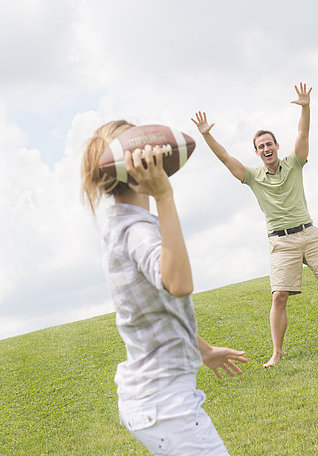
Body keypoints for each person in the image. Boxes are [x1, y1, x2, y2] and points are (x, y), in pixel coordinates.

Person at [81, 120, 247, 456]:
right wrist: (164, 196)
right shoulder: (136, 231)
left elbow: (154, 312)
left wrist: (203, 350)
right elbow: (179, 285)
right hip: (165, 404)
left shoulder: (119, 226)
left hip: (151, 401)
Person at [192, 82, 318, 368]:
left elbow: (303, 132)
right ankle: (276, 354)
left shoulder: (295, 163)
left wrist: (306, 107)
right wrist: (207, 135)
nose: (265, 148)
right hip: (281, 241)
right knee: (279, 296)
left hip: (309, 233)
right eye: (260, 146)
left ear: (276, 146)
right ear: (257, 152)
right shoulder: (251, 176)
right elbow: (225, 157)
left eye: (269, 144)